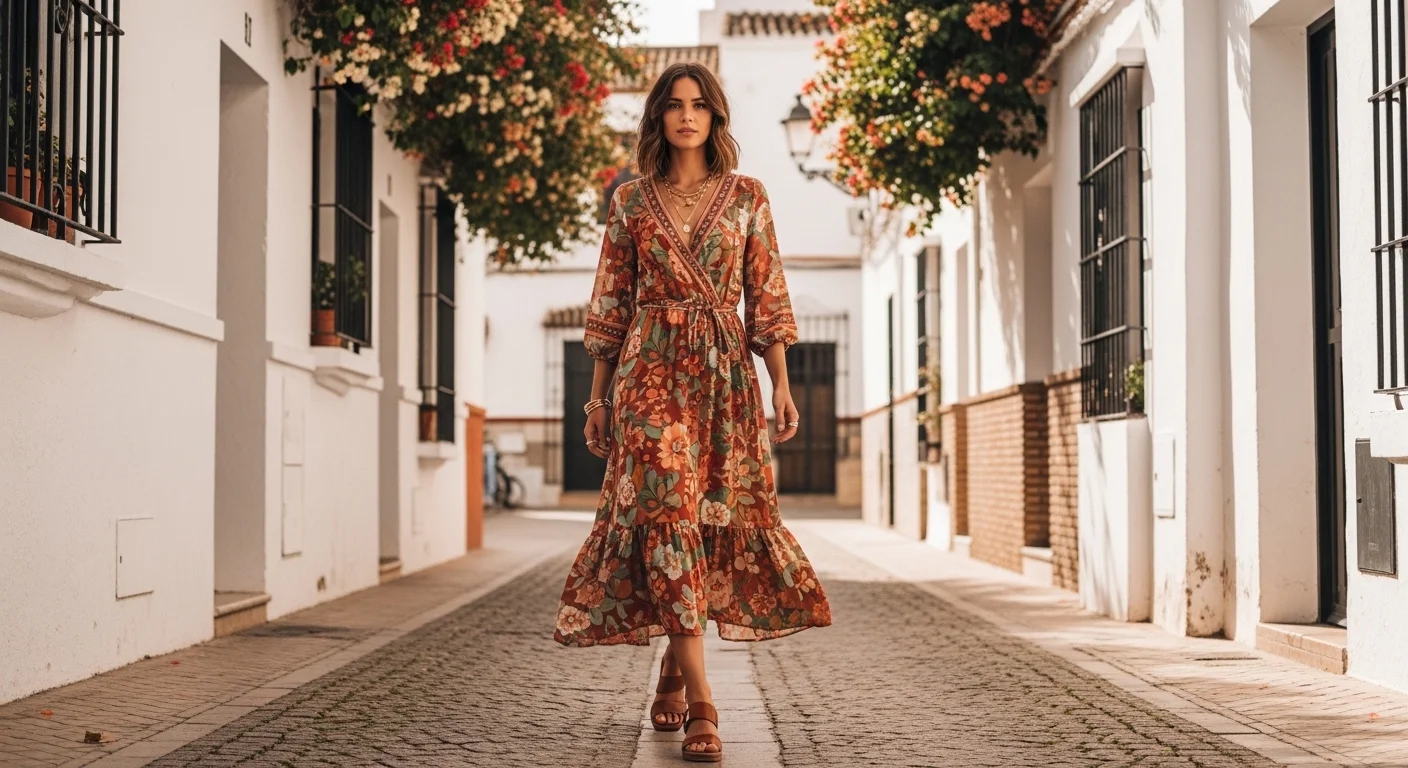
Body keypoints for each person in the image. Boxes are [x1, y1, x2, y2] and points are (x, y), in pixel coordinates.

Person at [553, 62, 832, 762]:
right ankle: (706, 705)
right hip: (648, 377)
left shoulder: (746, 196)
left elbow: (766, 295)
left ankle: (674, 676)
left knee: (709, 523)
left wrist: (783, 385)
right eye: (674, 105)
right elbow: (611, 302)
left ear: (715, 117)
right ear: (658, 117)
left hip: (723, 381)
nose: (686, 116)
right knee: (666, 519)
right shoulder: (630, 202)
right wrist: (597, 395)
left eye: (699, 105)